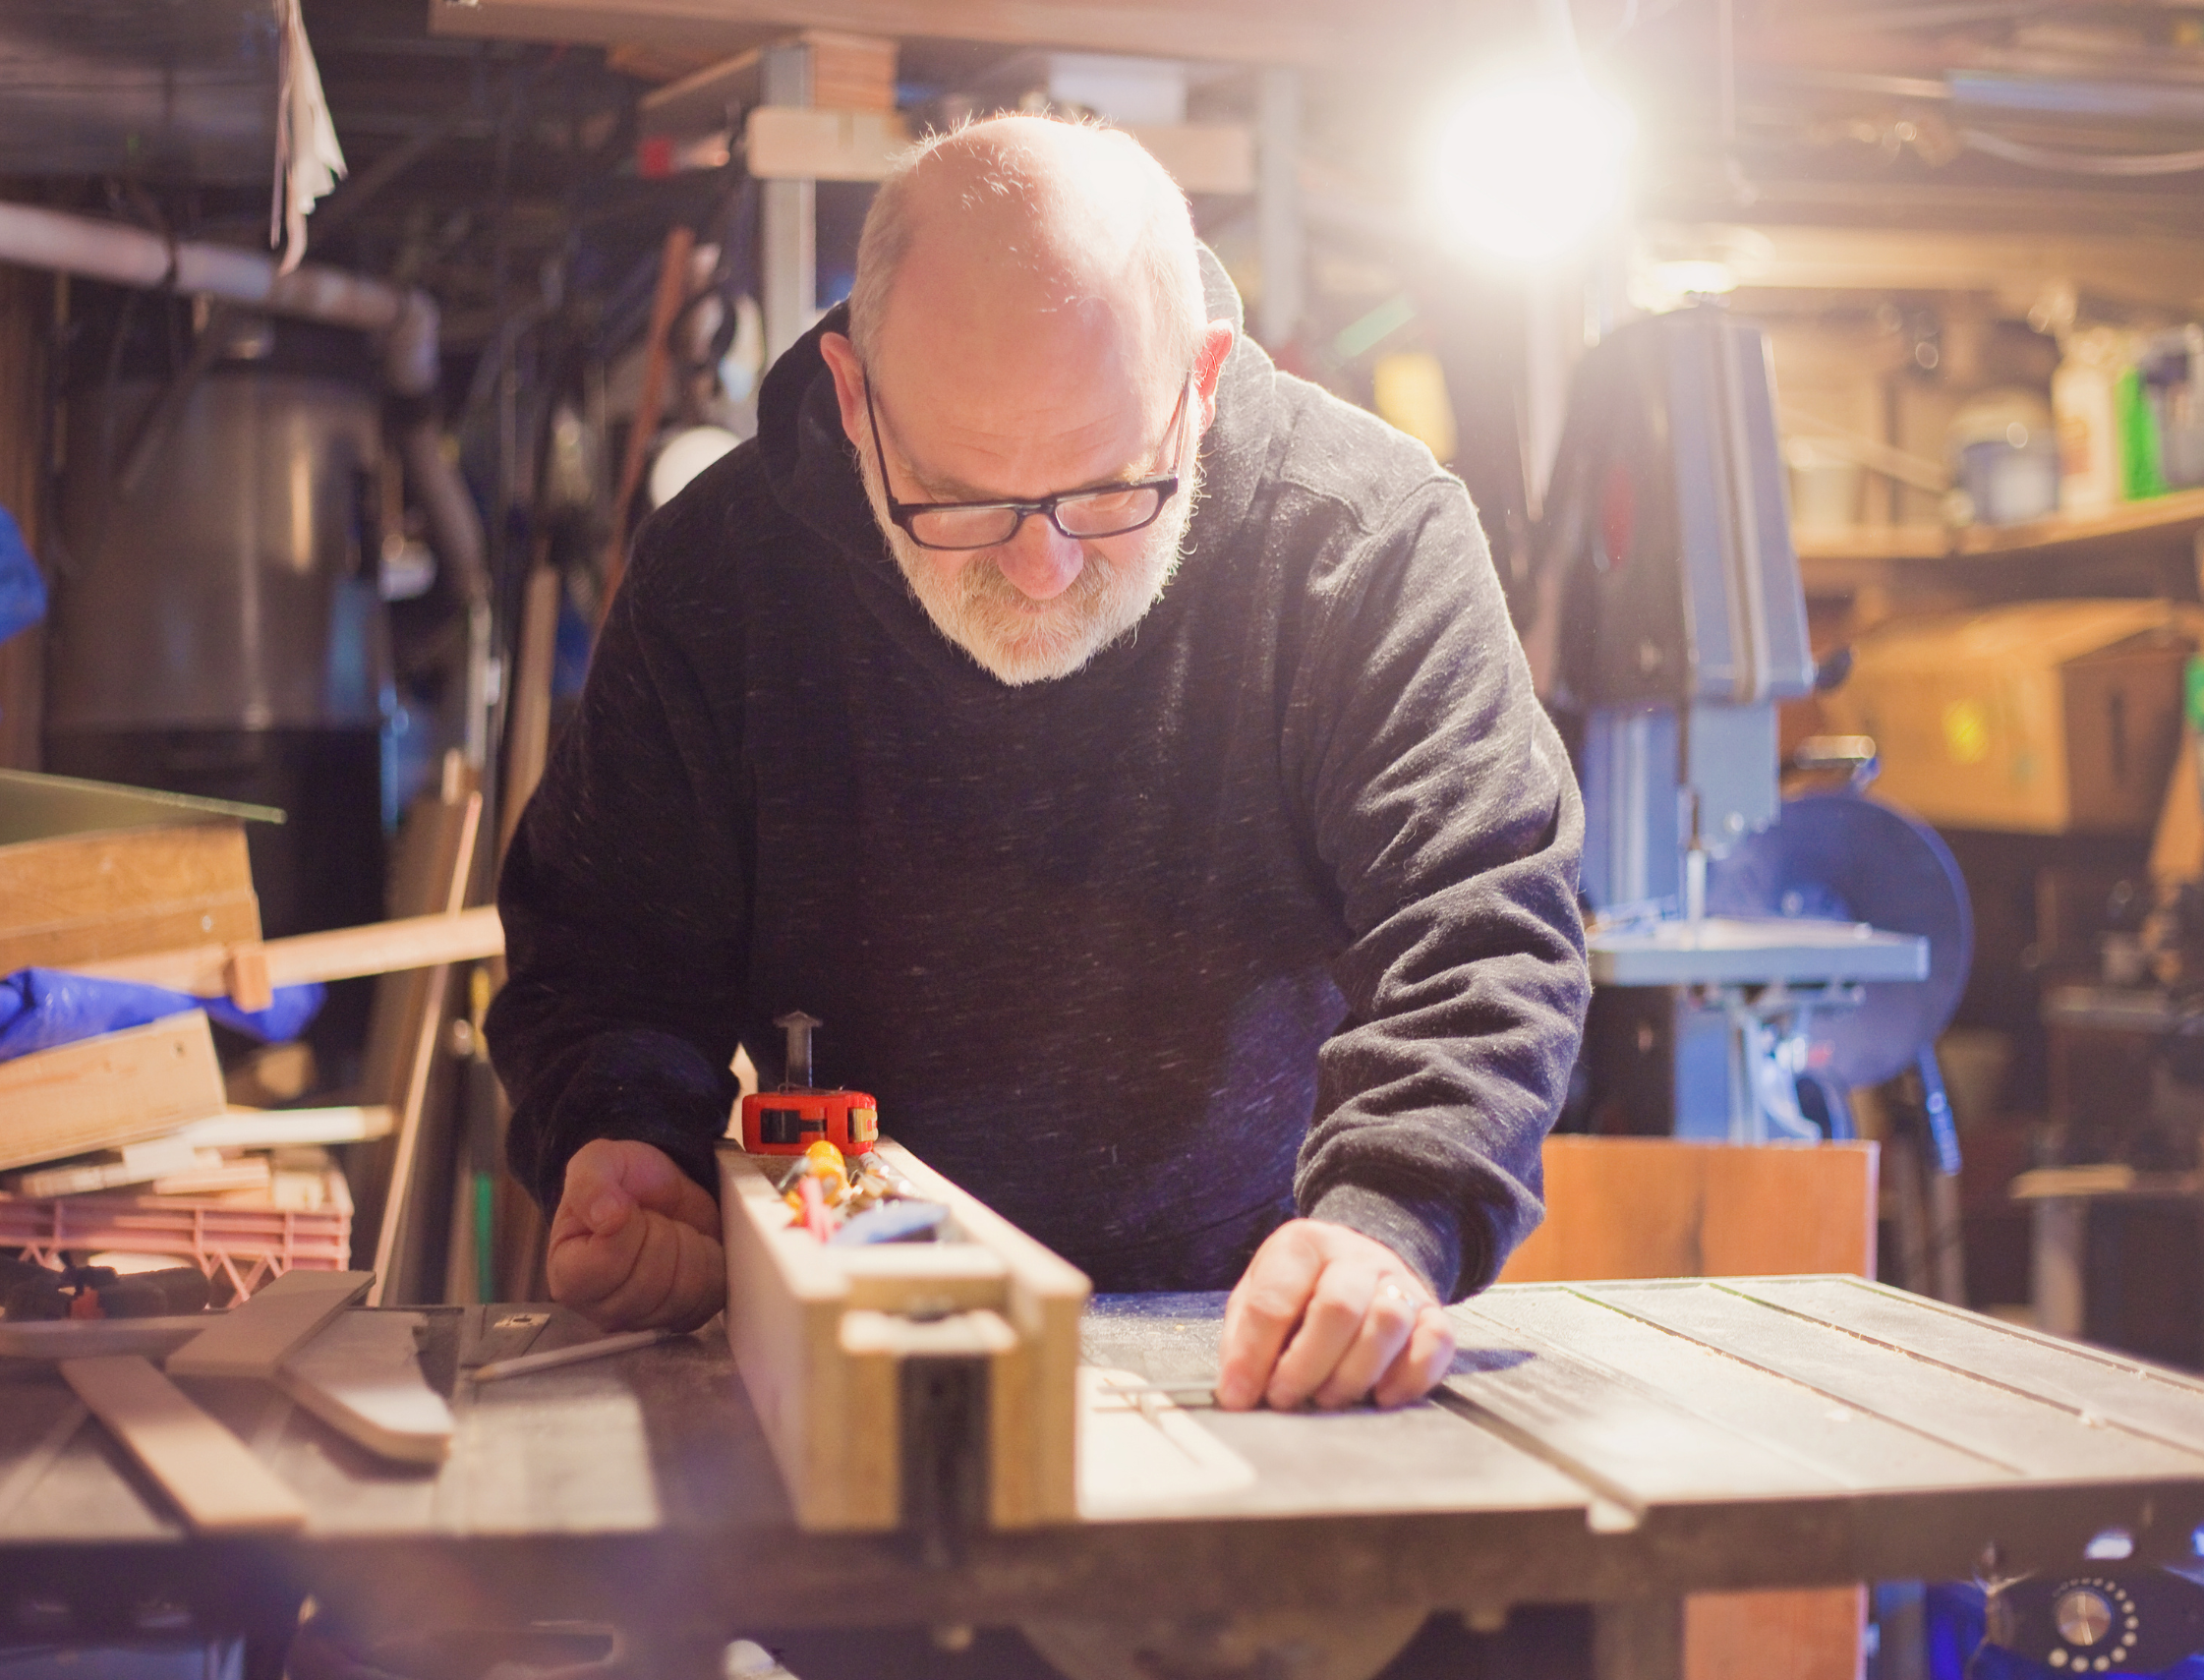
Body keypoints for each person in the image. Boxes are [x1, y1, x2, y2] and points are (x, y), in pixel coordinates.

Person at [488, 113, 1588, 1414]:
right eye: (962, 500)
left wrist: (1391, 1220)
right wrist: (625, 1138)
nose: (1041, 567)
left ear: (1204, 383)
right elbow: (605, 953)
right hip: (864, 1344)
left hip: (1268, 1337)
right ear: (853, 401)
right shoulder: (720, 577)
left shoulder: (1367, 546)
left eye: (1111, 489)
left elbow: (1484, 923)